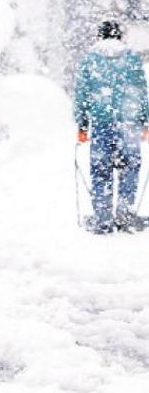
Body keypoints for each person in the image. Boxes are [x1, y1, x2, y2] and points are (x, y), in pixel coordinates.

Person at [74, 20, 149, 234]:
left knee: (100, 170)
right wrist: (146, 121)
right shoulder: (132, 58)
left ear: (100, 36)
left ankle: (103, 219)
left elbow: (82, 95)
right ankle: (124, 216)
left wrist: (82, 124)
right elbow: (141, 92)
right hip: (129, 123)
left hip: (102, 123)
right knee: (130, 168)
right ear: (119, 36)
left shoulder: (90, 60)